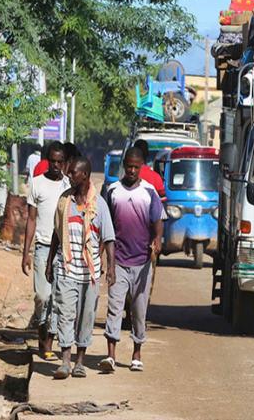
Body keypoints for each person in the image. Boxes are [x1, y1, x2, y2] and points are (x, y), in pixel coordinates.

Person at [46, 157, 115, 379]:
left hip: (90, 273)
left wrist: (111, 267)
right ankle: (65, 362)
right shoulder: (64, 201)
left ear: (84, 175)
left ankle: (79, 362)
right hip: (66, 269)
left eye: (73, 173)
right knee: (65, 314)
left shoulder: (100, 205)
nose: (69, 175)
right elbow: (56, 235)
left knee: (86, 317)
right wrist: (49, 263)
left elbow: (109, 238)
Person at [99, 147, 164, 373]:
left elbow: (157, 220)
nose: (132, 171)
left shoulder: (149, 192)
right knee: (114, 307)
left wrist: (157, 239)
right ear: (124, 166)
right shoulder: (113, 191)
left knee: (139, 309)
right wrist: (102, 256)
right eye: (129, 166)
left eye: (137, 167)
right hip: (118, 261)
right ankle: (111, 355)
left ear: (142, 167)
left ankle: (137, 353)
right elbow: (104, 224)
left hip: (142, 262)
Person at [22, 141, 69, 361]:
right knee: (43, 296)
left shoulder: (68, 185)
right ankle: (42, 333)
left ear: (64, 162)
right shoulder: (37, 183)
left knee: (57, 299)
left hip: (62, 249)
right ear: (47, 161)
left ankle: (47, 345)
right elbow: (31, 219)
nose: (56, 165)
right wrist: (26, 253)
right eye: (53, 161)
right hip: (42, 248)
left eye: (60, 161)